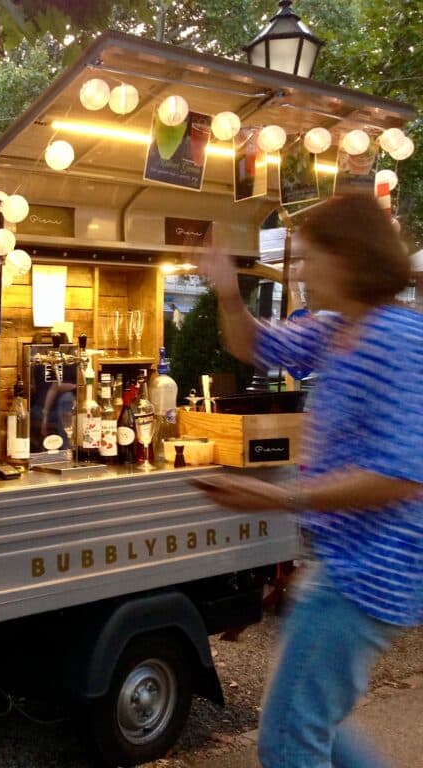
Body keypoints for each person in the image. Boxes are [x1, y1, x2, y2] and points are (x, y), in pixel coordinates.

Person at [197, 193, 423, 768]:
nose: (299, 272)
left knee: (290, 740)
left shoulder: (398, 340)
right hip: (340, 565)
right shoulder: (335, 329)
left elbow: (399, 474)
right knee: (317, 728)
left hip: (370, 573)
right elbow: (249, 344)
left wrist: (281, 496)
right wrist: (226, 290)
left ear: (348, 259)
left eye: (310, 258)